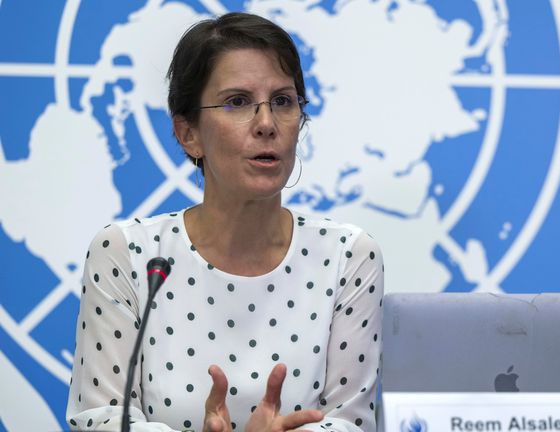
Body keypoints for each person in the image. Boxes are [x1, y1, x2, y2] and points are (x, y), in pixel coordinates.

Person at [66, 12, 384, 432]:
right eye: (238, 102)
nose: (267, 124)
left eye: (283, 101)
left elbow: (351, 422)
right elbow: (100, 417)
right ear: (188, 133)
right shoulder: (129, 253)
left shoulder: (348, 256)